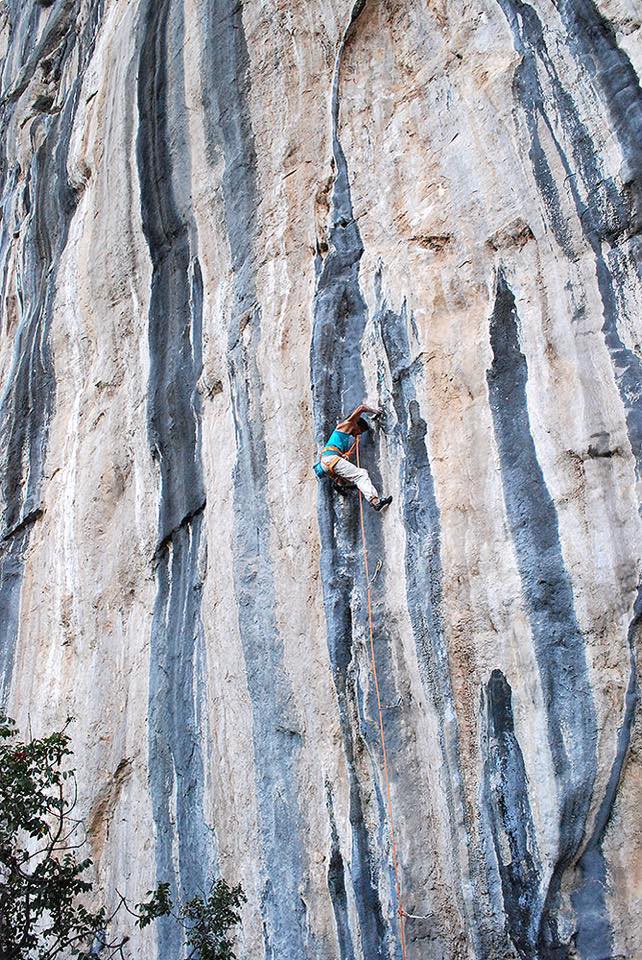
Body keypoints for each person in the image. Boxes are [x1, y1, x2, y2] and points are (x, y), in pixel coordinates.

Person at [313, 402, 393, 511]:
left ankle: (341, 484)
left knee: (354, 476)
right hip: (331, 460)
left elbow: (344, 453)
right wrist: (375, 411)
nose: (357, 434)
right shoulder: (346, 425)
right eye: (359, 431)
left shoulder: (344, 439)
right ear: (356, 425)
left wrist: (347, 454)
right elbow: (361, 408)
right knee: (361, 474)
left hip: (328, 463)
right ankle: (375, 501)